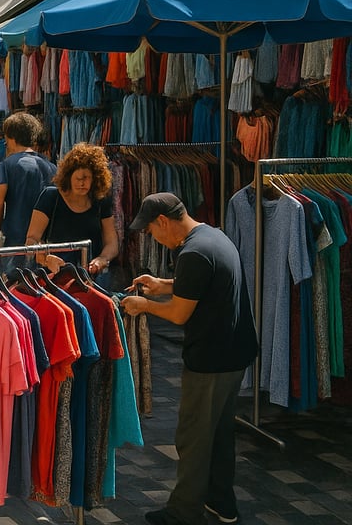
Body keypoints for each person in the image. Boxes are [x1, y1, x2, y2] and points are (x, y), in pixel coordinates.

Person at [122, 193, 259, 525]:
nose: (154, 238)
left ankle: (184, 512)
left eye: (152, 231)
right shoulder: (212, 236)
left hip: (211, 360)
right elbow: (202, 285)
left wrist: (144, 305)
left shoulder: (193, 253)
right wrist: (163, 285)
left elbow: (180, 313)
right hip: (234, 354)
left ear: (163, 222)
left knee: (193, 437)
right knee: (218, 433)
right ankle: (221, 503)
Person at [25, 142, 118, 275]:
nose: (82, 183)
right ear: (68, 177)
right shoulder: (50, 197)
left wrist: (102, 259)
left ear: (96, 179)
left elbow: (112, 242)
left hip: (89, 277)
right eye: (78, 178)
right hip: (52, 276)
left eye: (86, 179)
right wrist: (45, 258)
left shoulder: (101, 201)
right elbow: (31, 239)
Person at [0, 112, 57, 255]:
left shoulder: (5, 166)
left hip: (15, 242)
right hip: (44, 243)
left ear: (10, 137)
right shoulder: (51, 167)